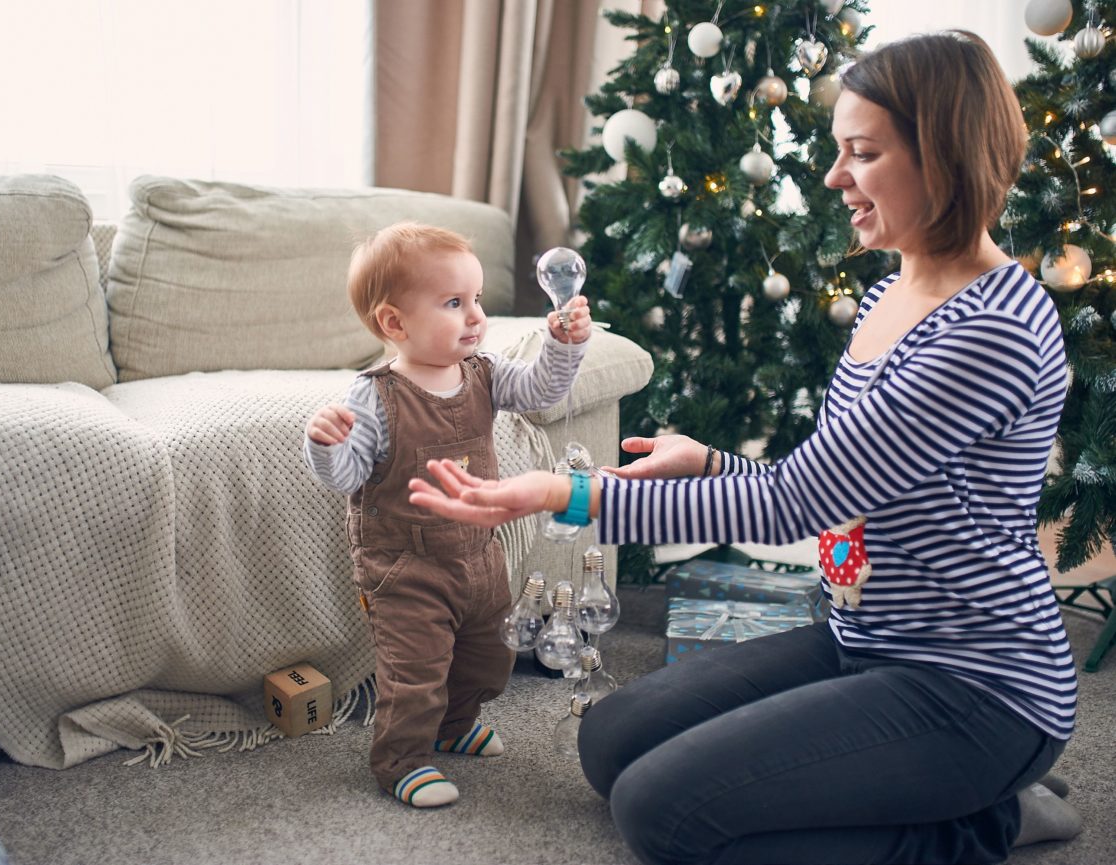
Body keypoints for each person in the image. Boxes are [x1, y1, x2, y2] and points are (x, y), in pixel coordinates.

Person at [409, 31, 1083, 863]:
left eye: (861, 154)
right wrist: (714, 463)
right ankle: (928, 782)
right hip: (863, 636)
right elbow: (846, 481)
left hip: (976, 686)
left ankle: (991, 818)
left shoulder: (990, 331)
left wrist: (565, 495)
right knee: (612, 742)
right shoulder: (896, 287)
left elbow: (798, 500)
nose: (835, 178)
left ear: (942, 154)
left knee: (665, 815)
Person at [304, 221, 592, 808]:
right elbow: (349, 477)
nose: (476, 316)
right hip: (403, 566)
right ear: (394, 322)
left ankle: (455, 723)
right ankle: (401, 759)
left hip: (479, 556)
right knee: (416, 671)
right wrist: (327, 444)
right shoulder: (375, 395)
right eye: (455, 303)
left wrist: (563, 345)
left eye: (478, 299)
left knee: (490, 656)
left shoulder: (482, 372)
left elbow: (541, 391)